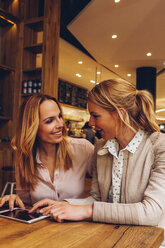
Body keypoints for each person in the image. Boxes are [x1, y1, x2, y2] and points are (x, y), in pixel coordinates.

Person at [30, 79, 165, 236]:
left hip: (151, 240)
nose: (91, 122)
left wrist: (87, 211)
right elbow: (96, 198)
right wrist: (61, 205)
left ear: (120, 115)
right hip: (112, 236)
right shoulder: (101, 147)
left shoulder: (159, 146)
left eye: (95, 115)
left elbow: (151, 212)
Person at [0, 94, 94, 210]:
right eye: (49, 121)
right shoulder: (25, 157)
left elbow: (102, 197)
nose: (60, 124)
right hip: (42, 226)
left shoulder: (83, 149)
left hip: (77, 226)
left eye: (60, 116)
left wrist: (71, 205)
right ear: (32, 126)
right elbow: (25, 204)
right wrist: (14, 199)